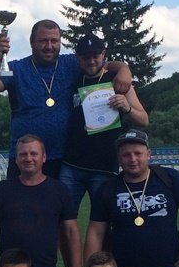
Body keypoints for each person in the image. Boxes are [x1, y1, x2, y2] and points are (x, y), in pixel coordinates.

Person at [0, 19, 132, 179]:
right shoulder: (16, 68)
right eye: (43, 41)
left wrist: (124, 71)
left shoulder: (71, 63)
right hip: (25, 157)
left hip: (62, 159)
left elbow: (102, 65)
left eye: (54, 41)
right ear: (32, 42)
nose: (49, 46)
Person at [84, 129, 179, 267]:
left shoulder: (169, 178)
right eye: (126, 155)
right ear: (119, 157)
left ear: (148, 154)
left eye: (138, 153)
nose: (133, 159)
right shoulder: (108, 189)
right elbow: (95, 232)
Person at [0, 135, 81, 267]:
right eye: (23, 154)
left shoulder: (59, 190)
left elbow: (71, 233)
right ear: (16, 159)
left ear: (44, 157)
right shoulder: (2, 190)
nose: (28, 158)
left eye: (34, 153)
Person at [59, 34, 149, 213]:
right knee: (64, 218)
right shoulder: (73, 79)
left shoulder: (117, 80)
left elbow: (144, 120)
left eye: (95, 56)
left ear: (103, 54)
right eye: (86, 57)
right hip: (71, 165)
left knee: (103, 221)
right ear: (77, 57)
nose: (91, 61)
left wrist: (127, 108)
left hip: (104, 167)